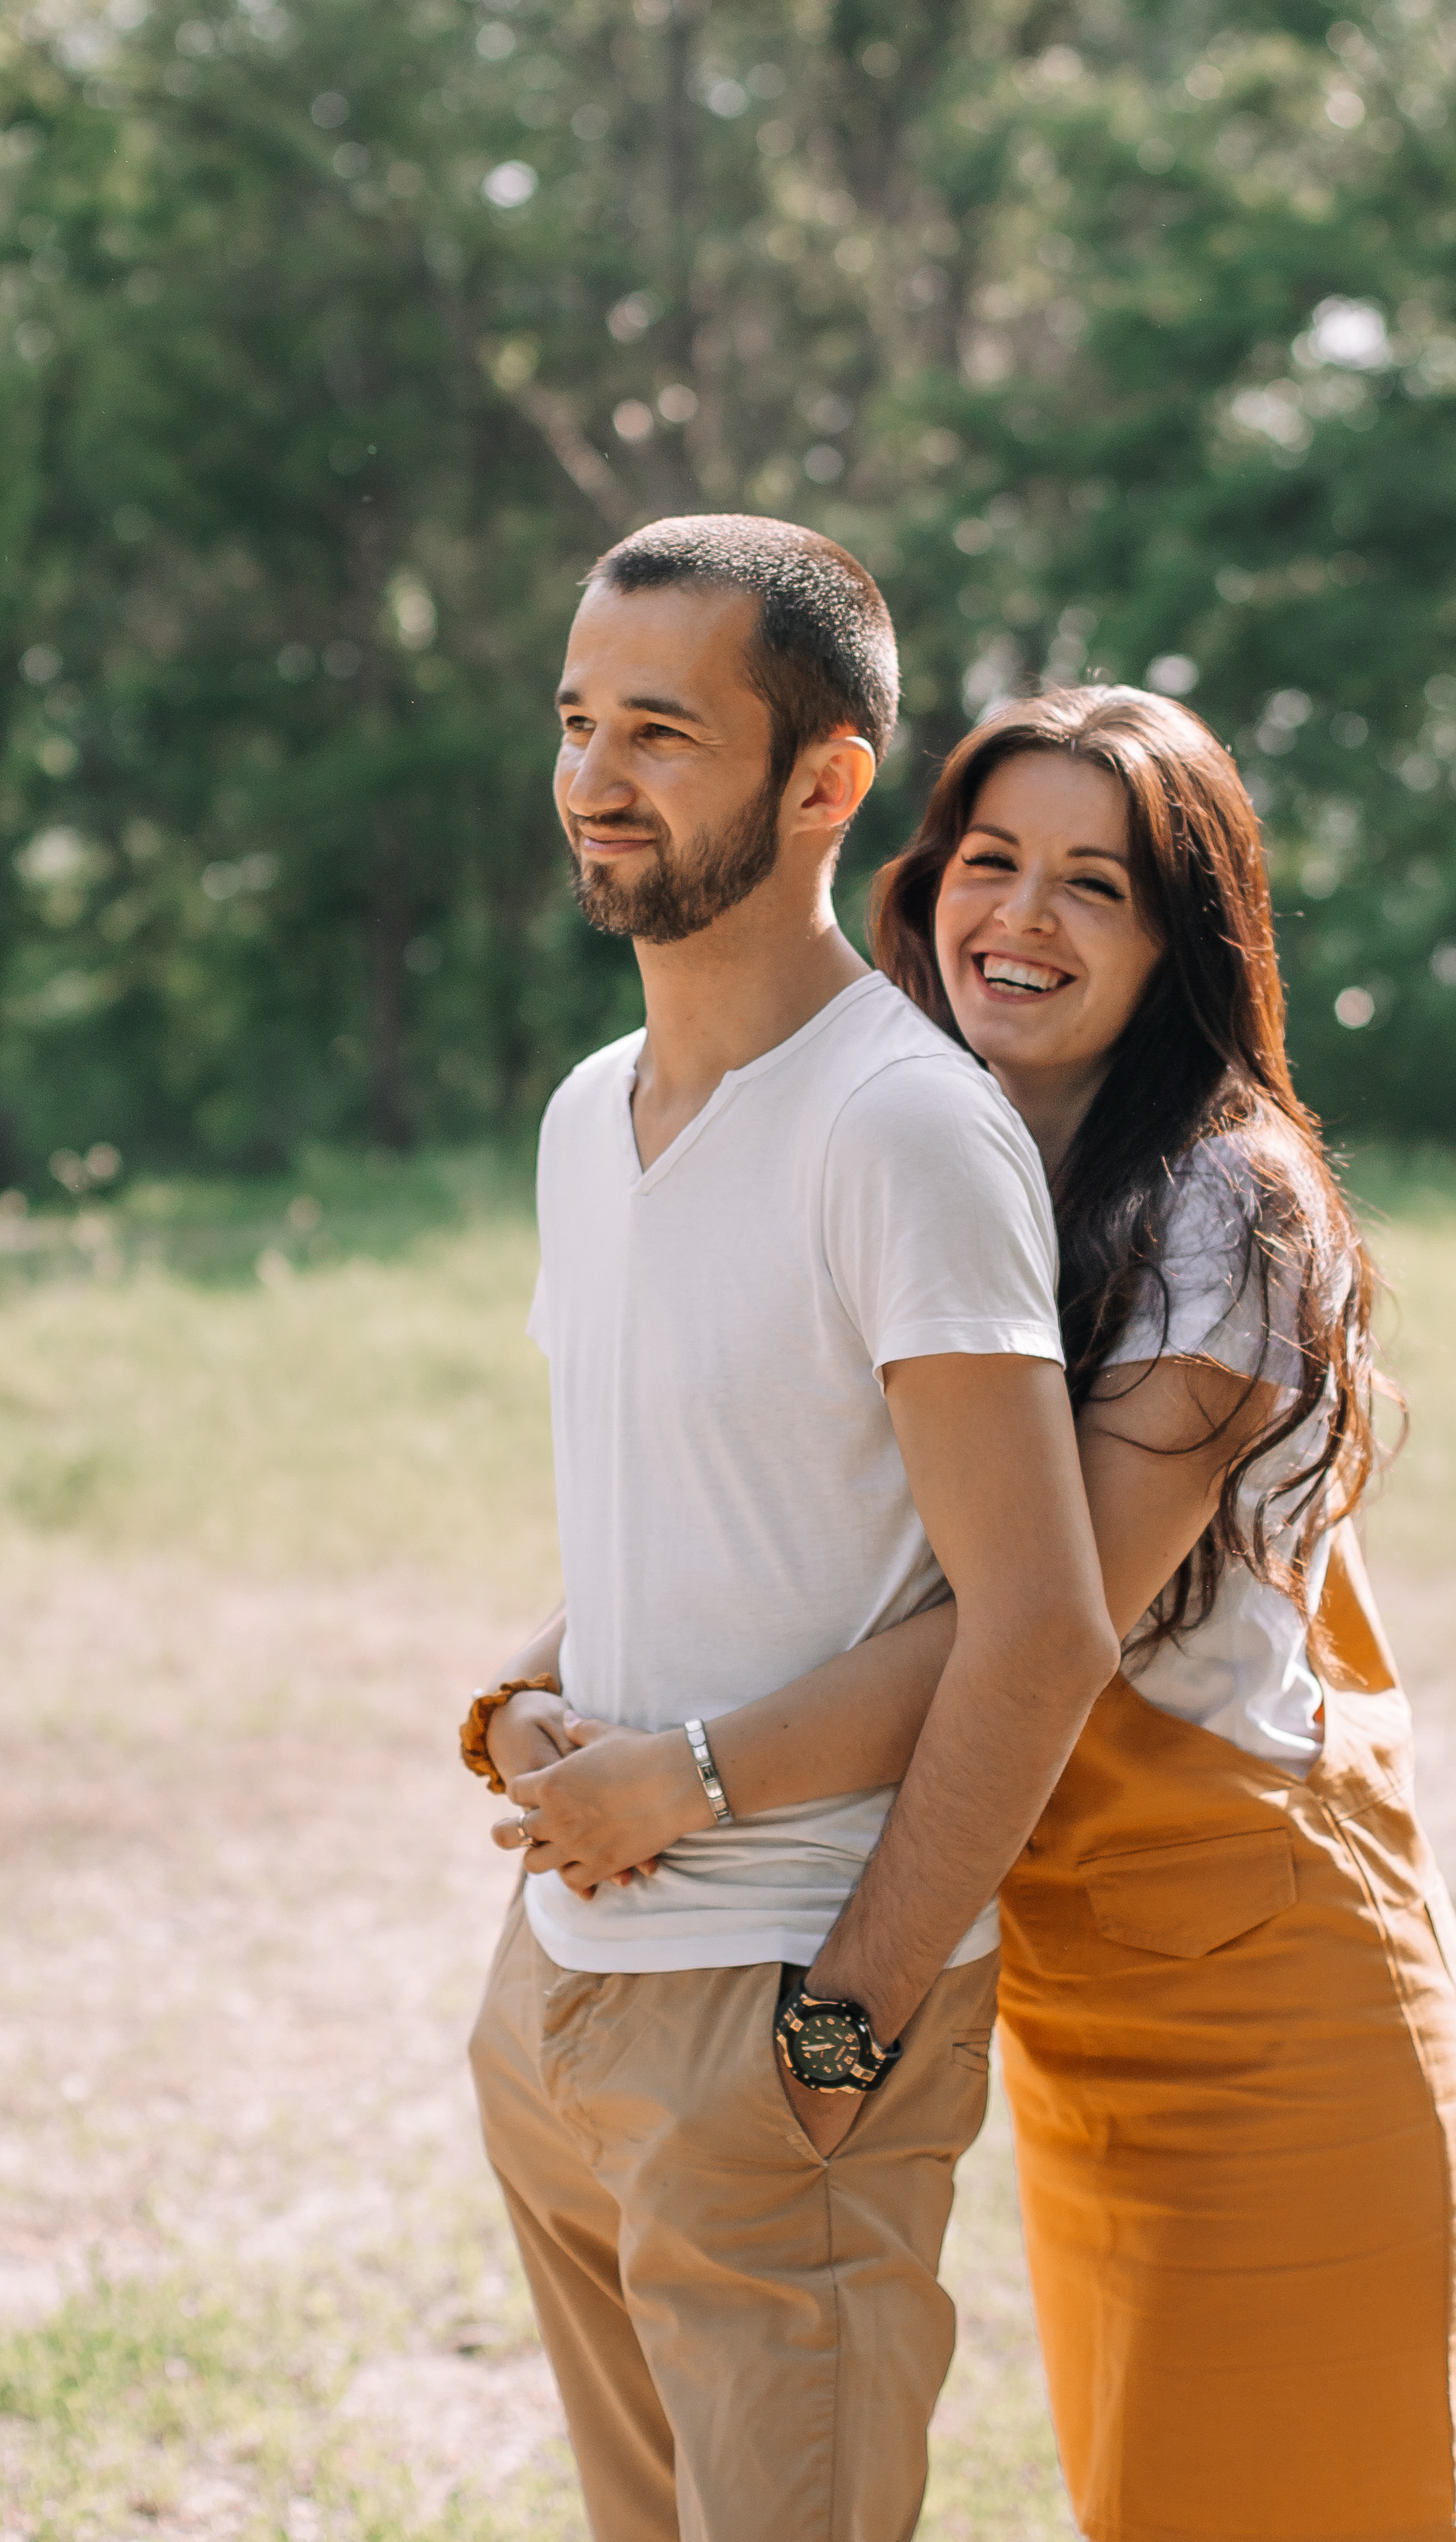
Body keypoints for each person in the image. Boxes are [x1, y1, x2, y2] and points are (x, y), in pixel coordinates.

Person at [514, 682, 1456, 2542]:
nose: (1021, 921)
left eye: (1096, 887)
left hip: (1263, 1993)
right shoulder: (912, 1139)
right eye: (992, 865)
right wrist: (545, 1672)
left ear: (1181, 942)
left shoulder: (1228, 1208)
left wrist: (731, 1845)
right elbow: (795, 1504)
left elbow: (1032, 1623)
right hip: (1054, 1976)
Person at [461, 518, 1117, 2542]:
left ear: (824, 782)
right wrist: (533, 1687)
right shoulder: (591, 1110)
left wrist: (843, 2024)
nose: (596, 776)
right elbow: (731, 1507)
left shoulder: (904, 1128)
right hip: (561, 1995)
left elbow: (1039, 1628)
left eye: (663, 730)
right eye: (579, 723)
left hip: (782, 1998)